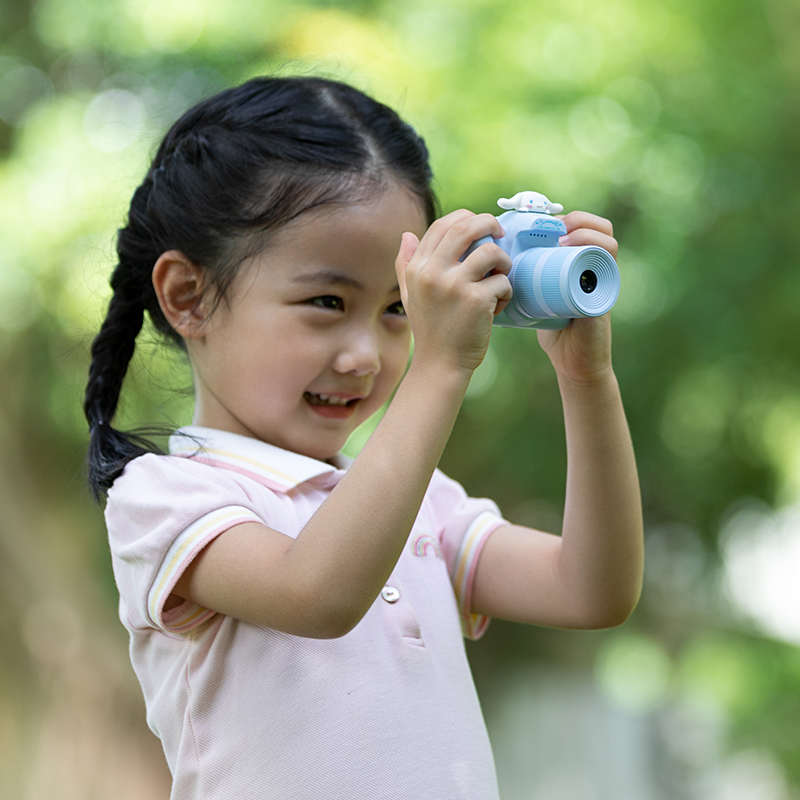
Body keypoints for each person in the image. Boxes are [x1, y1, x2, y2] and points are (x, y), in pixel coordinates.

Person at [83, 75, 643, 800]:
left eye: (395, 309)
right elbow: (316, 593)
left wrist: (587, 379)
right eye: (326, 301)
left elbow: (590, 590)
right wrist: (441, 365)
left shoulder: (417, 502)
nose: (366, 355)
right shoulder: (166, 497)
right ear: (189, 297)